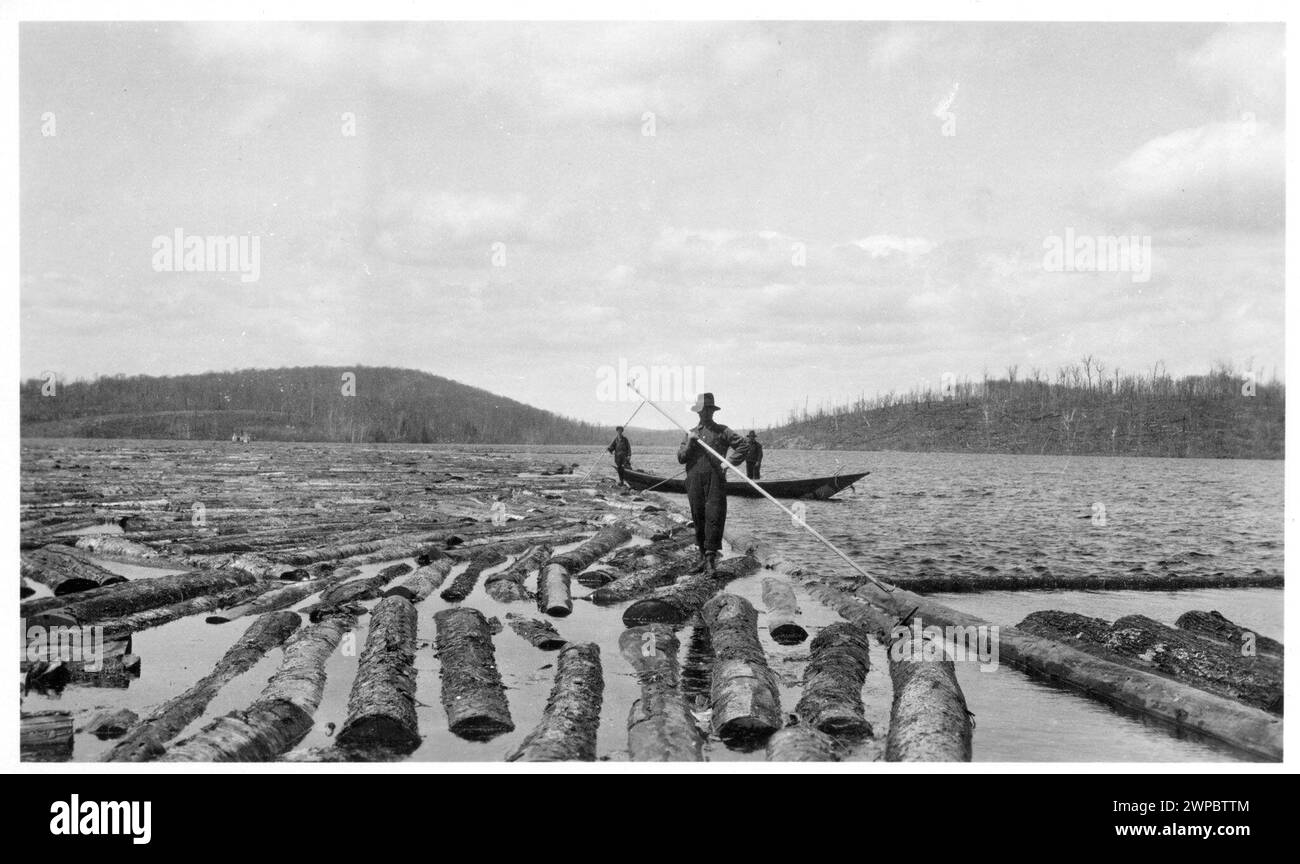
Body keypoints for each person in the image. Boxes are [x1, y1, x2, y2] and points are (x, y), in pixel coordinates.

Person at [677, 393, 750, 574]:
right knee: (698, 515)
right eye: (702, 410)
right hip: (693, 479)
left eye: (708, 410)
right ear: (698, 412)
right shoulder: (691, 433)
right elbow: (681, 458)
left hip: (715, 478)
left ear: (712, 411)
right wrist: (690, 443)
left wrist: (728, 462)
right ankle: (702, 557)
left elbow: (743, 445)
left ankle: (711, 559)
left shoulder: (722, 431)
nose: (705, 414)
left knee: (714, 516)